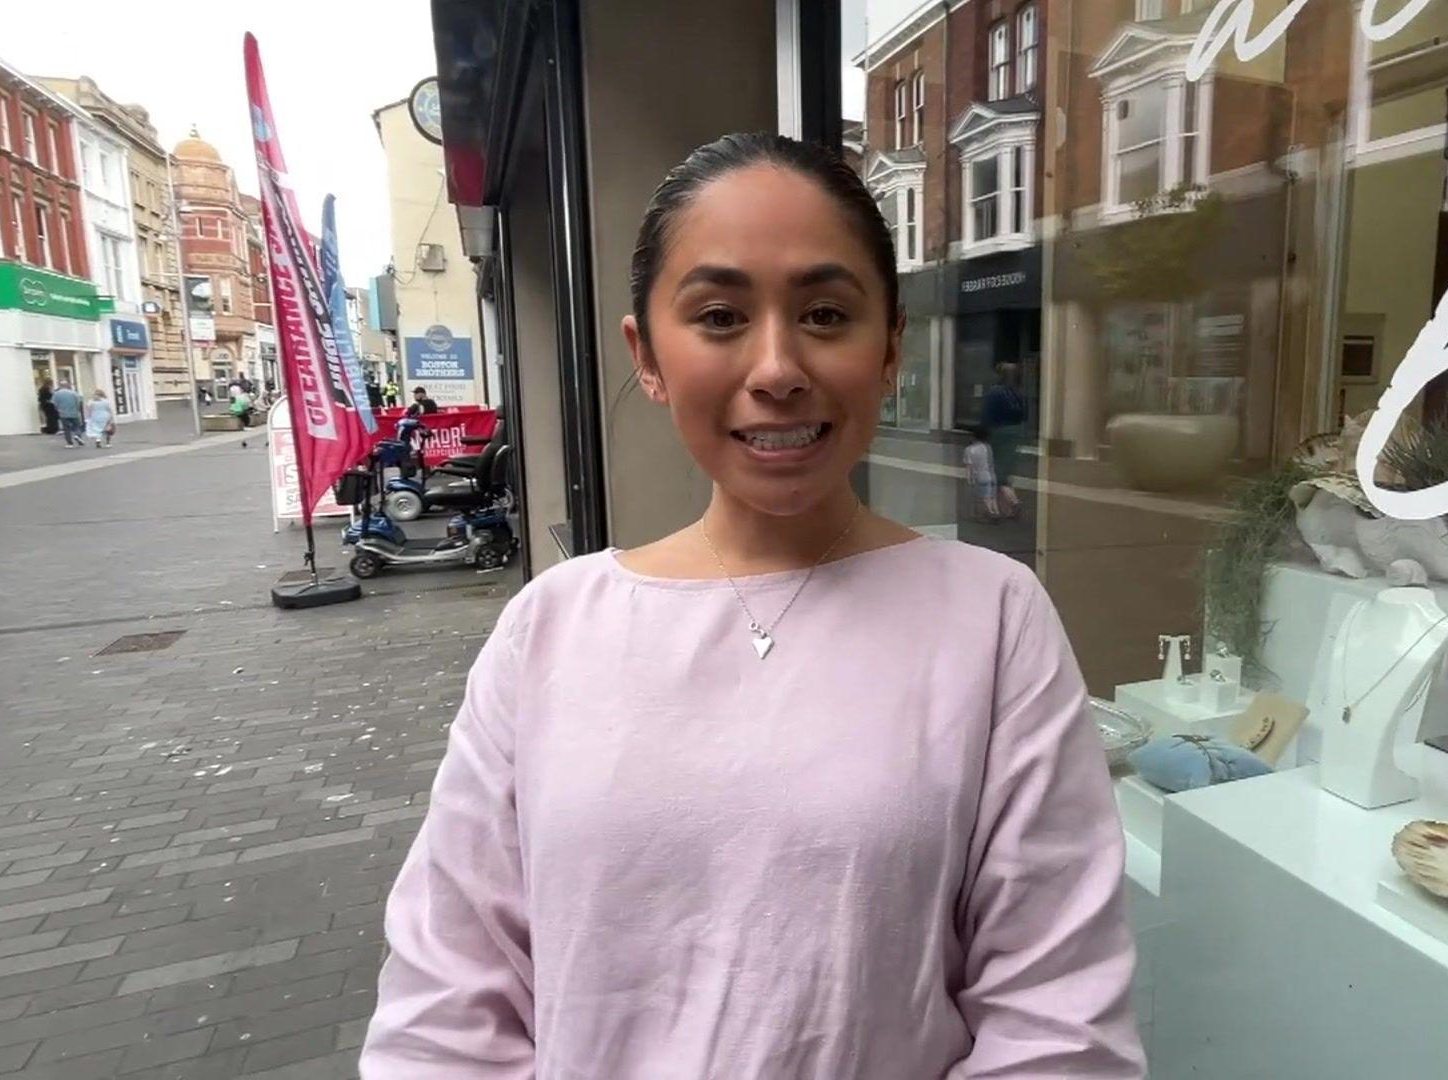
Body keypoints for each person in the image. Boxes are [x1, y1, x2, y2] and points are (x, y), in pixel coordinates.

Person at [362, 133, 1142, 1078]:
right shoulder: (549, 629)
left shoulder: (992, 621)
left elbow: (1058, 1023)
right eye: (722, 316)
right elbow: (446, 1009)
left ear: (891, 348)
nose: (777, 368)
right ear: (647, 355)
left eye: (824, 312)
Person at [981, 361, 1026, 520]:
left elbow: (987, 415)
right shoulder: (1018, 393)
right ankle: (1006, 505)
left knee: (996, 471)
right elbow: (1023, 415)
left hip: (998, 432)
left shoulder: (994, 392)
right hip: (1015, 431)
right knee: (1006, 467)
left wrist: (983, 433)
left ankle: (1009, 503)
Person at [962, 423, 1001, 521]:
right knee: (992, 496)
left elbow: (969, 467)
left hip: (980, 476)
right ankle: (996, 511)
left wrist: (969, 479)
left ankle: (991, 513)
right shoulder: (988, 447)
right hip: (992, 475)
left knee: (985, 497)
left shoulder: (969, 450)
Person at [51, 383, 85, 447]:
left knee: (66, 429)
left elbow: (54, 403)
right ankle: (77, 436)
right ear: (68, 386)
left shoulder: (56, 394)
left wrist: (58, 409)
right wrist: (77, 409)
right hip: (74, 413)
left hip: (63, 413)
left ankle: (69, 443)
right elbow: (78, 402)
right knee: (77, 426)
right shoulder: (73, 393)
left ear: (60, 386)